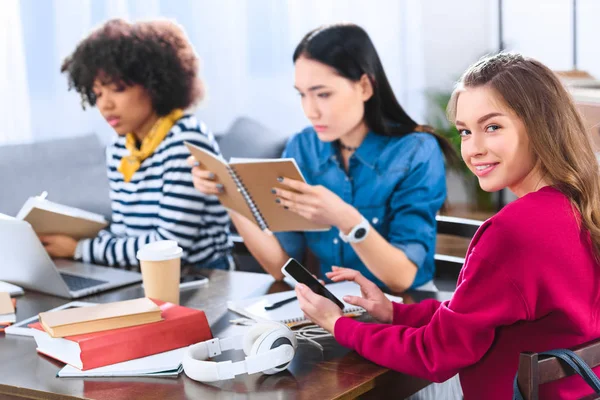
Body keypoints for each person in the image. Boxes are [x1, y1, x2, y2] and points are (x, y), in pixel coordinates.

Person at [294, 52, 600, 399]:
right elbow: (477, 315)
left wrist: (338, 324)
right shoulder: (579, 205)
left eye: (492, 127)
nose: (473, 149)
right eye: (466, 132)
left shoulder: (511, 232)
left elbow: (434, 354)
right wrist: (393, 312)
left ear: (541, 125)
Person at [190, 23, 458, 292]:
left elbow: (401, 278)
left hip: (405, 310)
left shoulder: (417, 152)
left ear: (364, 87)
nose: (310, 111)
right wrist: (228, 195)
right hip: (335, 311)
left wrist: (343, 217)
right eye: (302, 95)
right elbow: (280, 265)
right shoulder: (302, 147)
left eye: (323, 94)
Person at [42, 18, 232, 270]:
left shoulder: (184, 140)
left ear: (154, 84)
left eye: (117, 89)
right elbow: (125, 234)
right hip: (144, 274)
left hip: (199, 277)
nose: (105, 105)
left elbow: (170, 245)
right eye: (97, 93)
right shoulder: (121, 147)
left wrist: (79, 249)